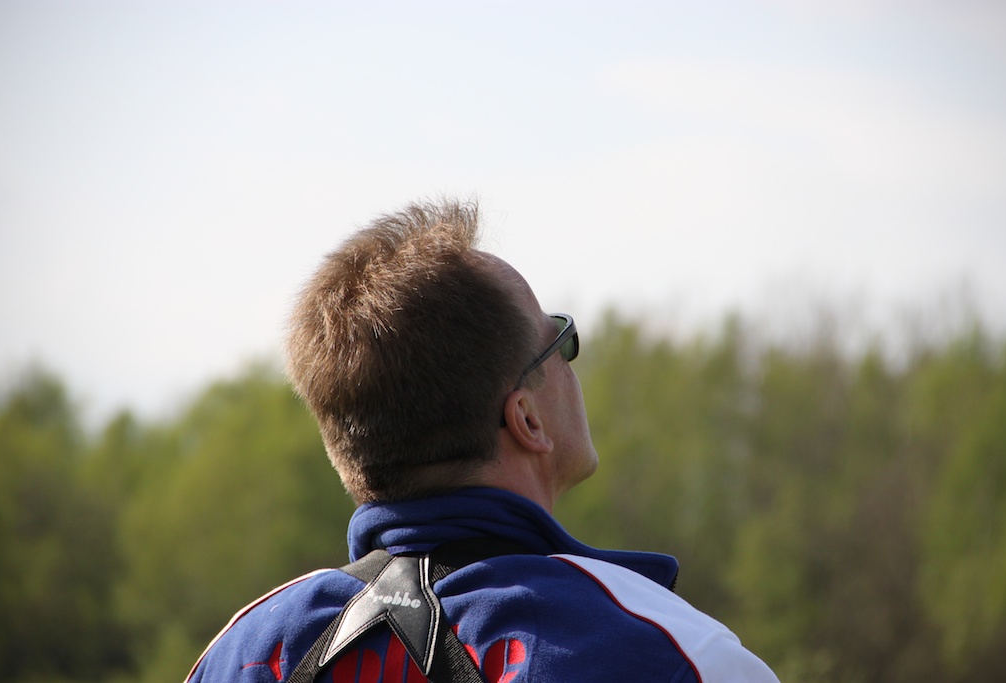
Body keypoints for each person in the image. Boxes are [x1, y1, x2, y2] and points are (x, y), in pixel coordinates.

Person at [186, 199, 779, 682]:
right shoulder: (666, 655)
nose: (573, 363)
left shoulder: (240, 655)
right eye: (561, 342)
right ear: (526, 420)